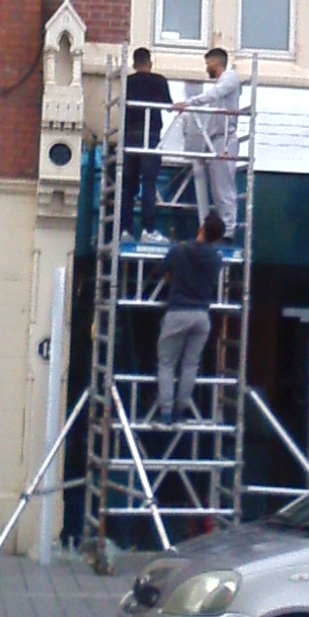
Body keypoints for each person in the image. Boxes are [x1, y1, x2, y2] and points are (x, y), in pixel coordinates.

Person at [156, 212, 225, 423]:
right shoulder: (216, 260)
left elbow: (160, 269)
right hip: (202, 316)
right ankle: (180, 410)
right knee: (190, 365)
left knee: (167, 363)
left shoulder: (180, 250)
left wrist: (171, 275)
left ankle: (166, 412)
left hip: (178, 312)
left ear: (201, 229)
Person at [173, 47, 240, 237]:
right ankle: (224, 230)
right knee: (218, 190)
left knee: (223, 189)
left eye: (208, 63)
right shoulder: (222, 86)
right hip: (217, 140)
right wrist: (205, 149)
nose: (206, 67)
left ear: (215, 63)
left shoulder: (230, 78)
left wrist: (189, 102)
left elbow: (214, 94)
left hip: (224, 140)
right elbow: (211, 123)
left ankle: (228, 232)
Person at [121, 47, 171, 245]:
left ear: (133, 64)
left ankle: (124, 230)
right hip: (150, 135)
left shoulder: (127, 82)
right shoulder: (159, 81)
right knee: (149, 183)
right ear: (150, 63)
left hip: (129, 136)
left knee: (128, 186)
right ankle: (148, 230)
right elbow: (167, 105)